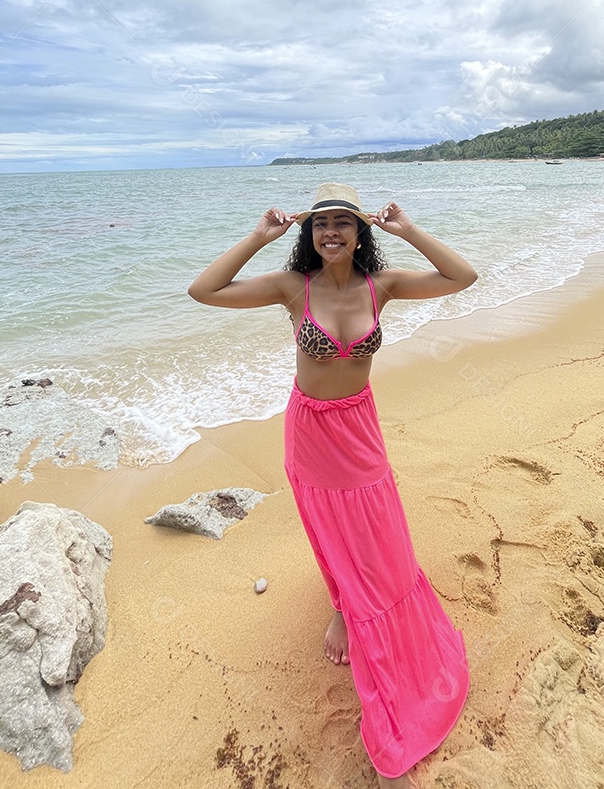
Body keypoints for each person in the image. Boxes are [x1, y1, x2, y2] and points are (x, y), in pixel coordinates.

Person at [188, 183, 477, 788]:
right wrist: (258, 237)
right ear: (309, 234)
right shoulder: (293, 288)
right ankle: (345, 610)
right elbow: (204, 291)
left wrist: (408, 229)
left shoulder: (383, 285)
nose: (332, 233)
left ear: (360, 231)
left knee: (377, 532)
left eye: (344, 223)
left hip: (359, 427)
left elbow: (462, 276)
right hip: (312, 433)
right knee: (330, 528)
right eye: (321, 224)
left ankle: (363, 612)